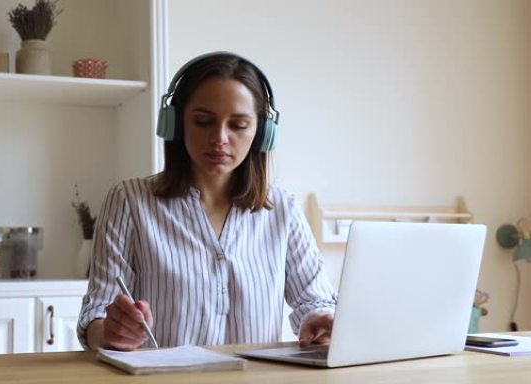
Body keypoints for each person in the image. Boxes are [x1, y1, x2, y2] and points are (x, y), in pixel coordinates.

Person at [77, 52, 337, 351]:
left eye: (238, 125)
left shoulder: (284, 209)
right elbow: (96, 315)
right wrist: (109, 333)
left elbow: (316, 300)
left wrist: (319, 319)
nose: (220, 138)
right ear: (175, 124)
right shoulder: (129, 202)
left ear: (263, 133)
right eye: (203, 121)